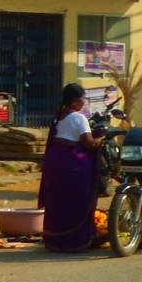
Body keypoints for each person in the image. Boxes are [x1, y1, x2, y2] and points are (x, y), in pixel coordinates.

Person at [39, 83, 102, 252]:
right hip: (72, 164)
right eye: (83, 98)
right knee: (76, 201)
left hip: (55, 161)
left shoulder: (59, 115)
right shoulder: (78, 118)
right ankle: (74, 241)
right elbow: (89, 144)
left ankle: (54, 240)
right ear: (75, 101)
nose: (85, 101)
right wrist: (102, 138)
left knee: (58, 202)